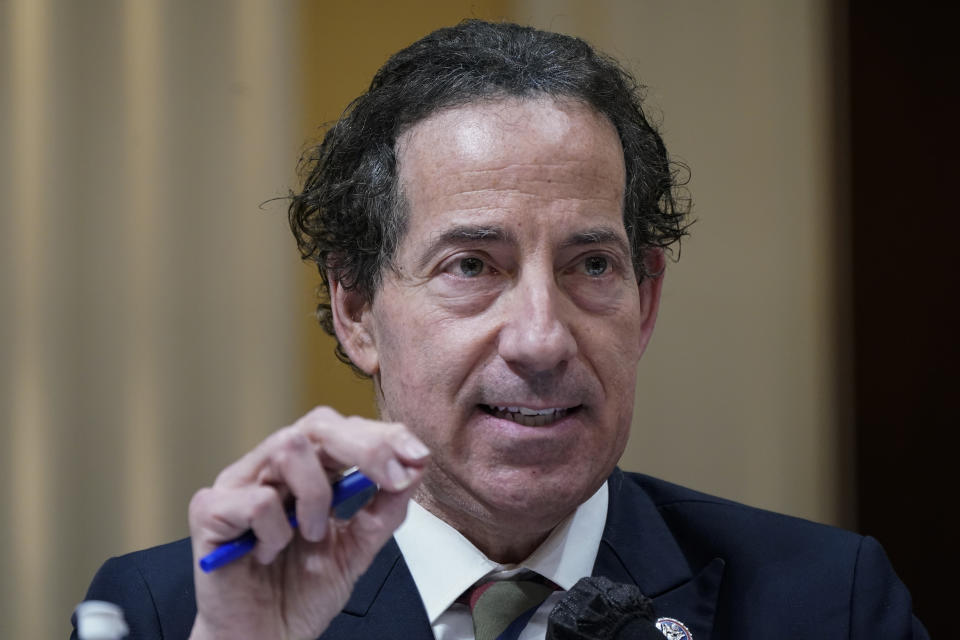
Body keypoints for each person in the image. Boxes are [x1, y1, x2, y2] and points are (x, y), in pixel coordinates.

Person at [72, 20, 927, 640]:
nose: (542, 340)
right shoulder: (174, 612)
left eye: (592, 266)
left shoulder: (827, 602)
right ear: (357, 309)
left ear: (648, 300)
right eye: (472, 267)